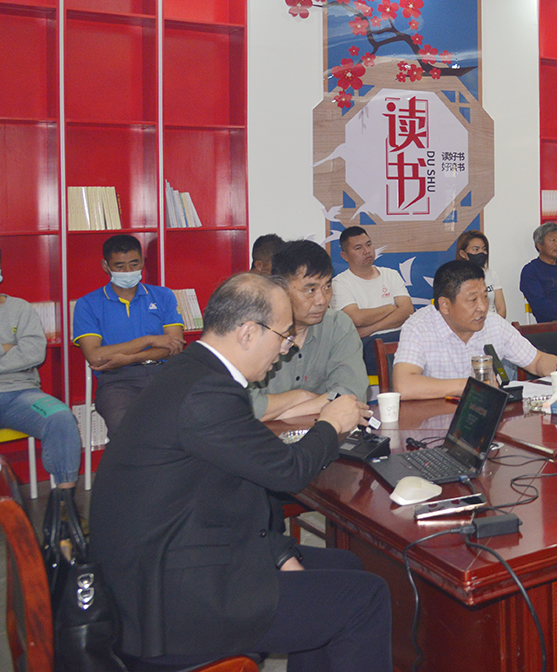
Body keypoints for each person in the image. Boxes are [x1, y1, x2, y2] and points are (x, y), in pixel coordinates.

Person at [89, 273, 389, 670]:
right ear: (248, 332)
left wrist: (278, 553)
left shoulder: (194, 372)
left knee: (345, 568)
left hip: (174, 554)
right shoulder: (207, 393)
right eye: (283, 336)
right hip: (170, 601)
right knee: (366, 597)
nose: (285, 349)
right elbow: (288, 472)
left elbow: (235, 488)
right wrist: (331, 424)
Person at [394, 260, 557, 399]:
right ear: (444, 305)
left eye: (485, 296)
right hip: (434, 425)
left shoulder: (493, 323)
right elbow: (404, 385)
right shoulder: (419, 326)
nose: (483, 307)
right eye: (472, 300)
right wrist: (470, 386)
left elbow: (537, 361)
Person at [72, 234, 185, 433]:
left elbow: (175, 347)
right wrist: (150, 340)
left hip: (164, 374)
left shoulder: (163, 295)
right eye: (120, 266)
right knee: (125, 429)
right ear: (105, 266)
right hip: (117, 381)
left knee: (190, 421)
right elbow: (96, 356)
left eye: (134, 264)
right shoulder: (87, 304)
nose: (128, 272)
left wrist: (128, 358)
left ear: (142, 261)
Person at [251, 240, 369, 421]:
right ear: (280, 289)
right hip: (264, 437)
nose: (322, 300)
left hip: (325, 432)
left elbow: (351, 396)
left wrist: (279, 413)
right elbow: (244, 407)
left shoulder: (337, 325)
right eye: (310, 290)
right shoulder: (255, 331)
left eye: (327, 287)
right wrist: (301, 396)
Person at [0, 246, 82, 494]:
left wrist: (13, 350)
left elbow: (34, 353)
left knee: (61, 417)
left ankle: (64, 502)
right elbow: (22, 353)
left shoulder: (20, 308)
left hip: (21, 394)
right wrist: (7, 348)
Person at [331, 226, 415, 373]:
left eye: (369, 244)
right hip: (367, 345)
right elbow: (357, 318)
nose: (367, 251)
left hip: (401, 336)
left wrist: (370, 329)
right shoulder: (339, 283)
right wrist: (390, 308)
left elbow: (407, 311)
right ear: (344, 256)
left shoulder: (391, 274)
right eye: (358, 248)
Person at [456, 230, 507, 319]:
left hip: (492, 322)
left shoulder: (492, 274)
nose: (481, 253)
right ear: (463, 254)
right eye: (476, 249)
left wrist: (494, 324)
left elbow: (501, 309)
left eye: (484, 249)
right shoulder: (456, 277)